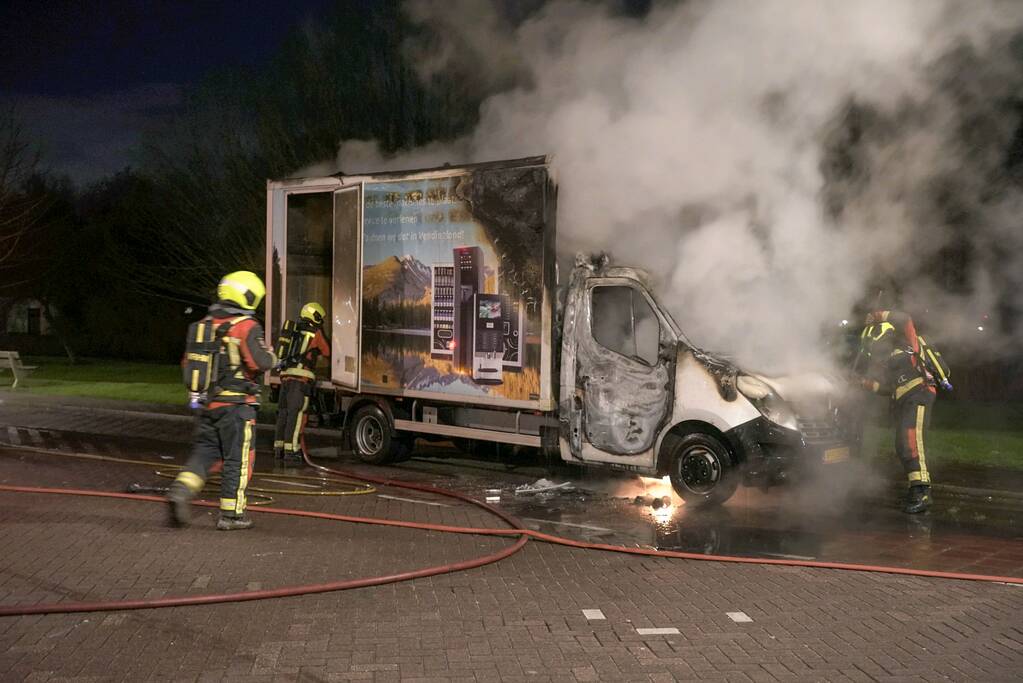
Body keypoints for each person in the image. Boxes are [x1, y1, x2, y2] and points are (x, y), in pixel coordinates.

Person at [167, 271, 277, 530]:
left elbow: (187, 362)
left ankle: (180, 491)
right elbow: (259, 362)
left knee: (205, 454)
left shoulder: (203, 325)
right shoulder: (246, 326)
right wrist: (274, 357)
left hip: (207, 406)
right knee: (238, 459)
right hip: (237, 408)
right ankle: (232, 514)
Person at [856, 309, 936, 514]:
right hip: (904, 401)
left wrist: (878, 315)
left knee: (911, 440)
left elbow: (905, 319)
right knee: (902, 444)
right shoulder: (889, 362)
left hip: (919, 396)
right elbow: (889, 389)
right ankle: (915, 489)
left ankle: (923, 493)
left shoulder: (911, 346)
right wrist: (865, 384)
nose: (876, 351)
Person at [274, 302, 330, 464]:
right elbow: (327, 351)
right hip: (300, 381)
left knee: (283, 414)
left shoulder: (292, 330)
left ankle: (279, 449)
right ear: (316, 316)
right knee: (296, 415)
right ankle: (292, 451)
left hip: (285, 378)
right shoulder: (315, 332)